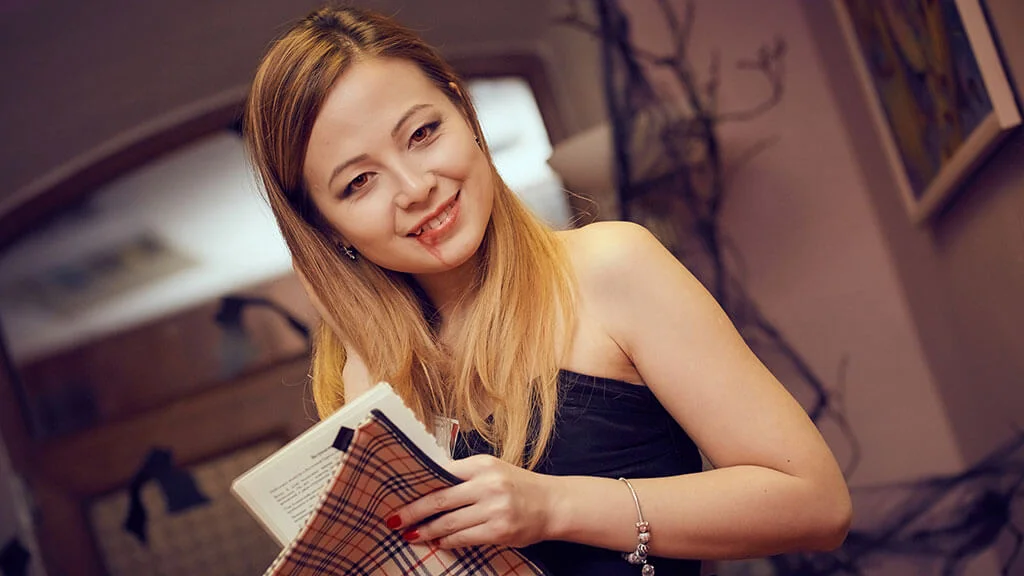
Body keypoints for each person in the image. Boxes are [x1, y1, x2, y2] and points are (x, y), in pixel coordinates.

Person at [244, 6, 851, 575]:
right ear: (325, 226)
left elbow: (816, 502)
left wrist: (554, 507)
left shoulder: (612, 267)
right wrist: (362, 351)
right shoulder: (364, 372)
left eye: (423, 133)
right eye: (358, 183)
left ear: (464, 112)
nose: (414, 187)